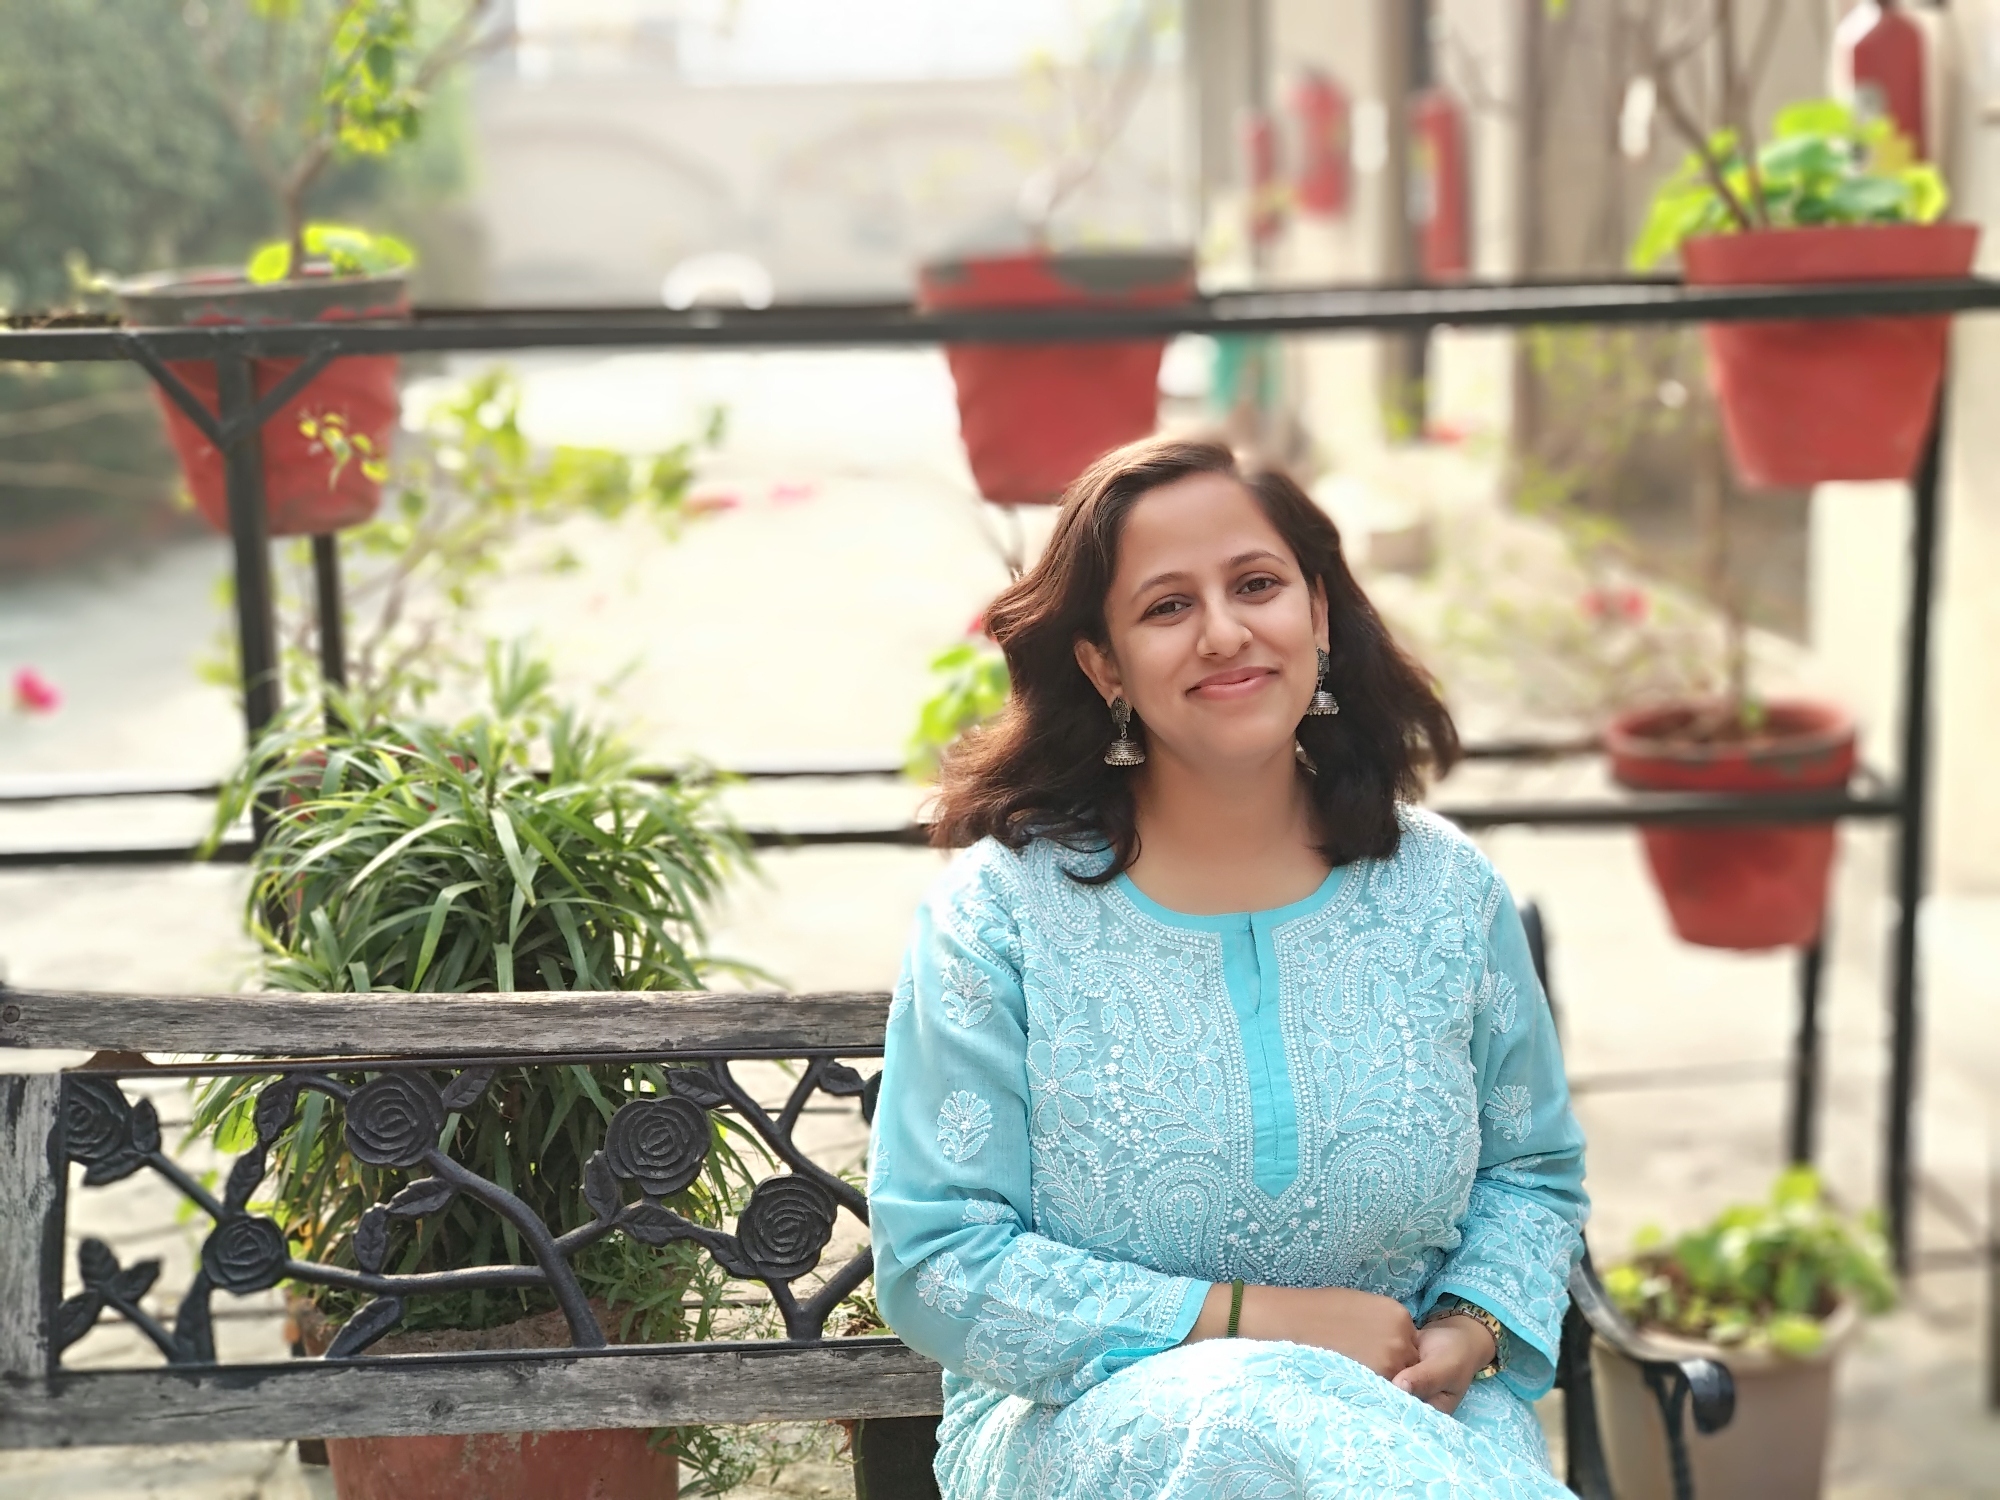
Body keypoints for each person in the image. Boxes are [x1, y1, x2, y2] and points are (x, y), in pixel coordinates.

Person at [868, 435, 1589, 1498]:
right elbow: (938, 1258)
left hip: (1415, 1423)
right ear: (1103, 665)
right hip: (1089, 1424)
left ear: (1318, 615)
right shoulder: (1002, 915)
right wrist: (1256, 1324)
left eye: (1256, 585)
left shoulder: (1443, 893)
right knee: (1247, 1420)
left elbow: (1529, 1172)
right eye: (1167, 606)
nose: (1223, 632)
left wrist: (1469, 1327)